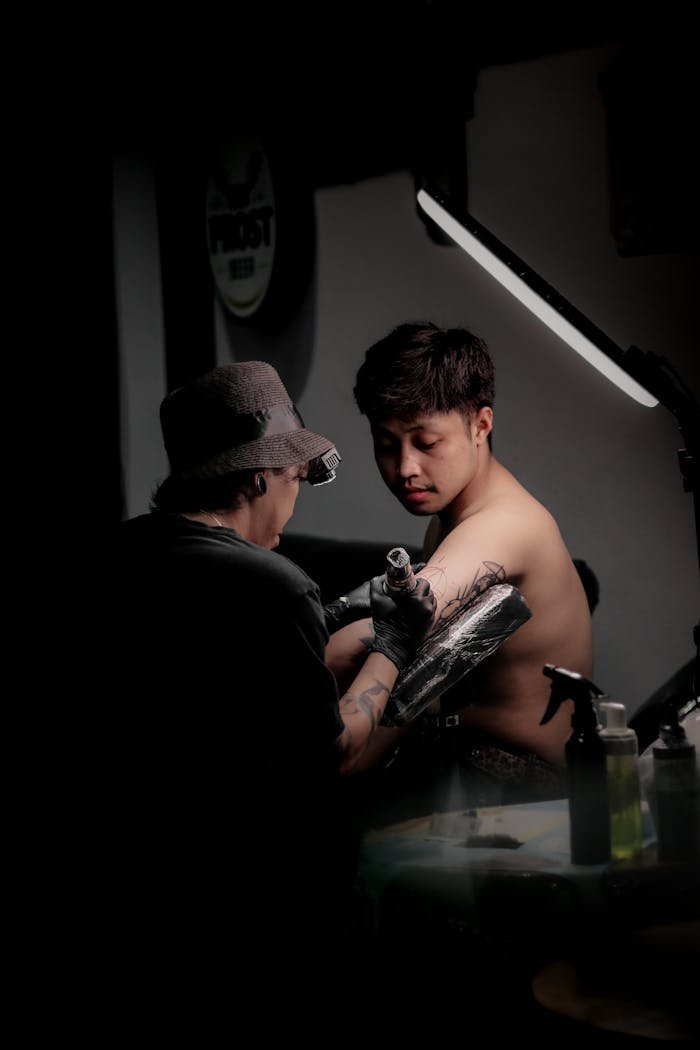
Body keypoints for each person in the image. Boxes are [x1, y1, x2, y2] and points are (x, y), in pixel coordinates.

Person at [108, 360, 436, 1021]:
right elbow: (332, 755)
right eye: (294, 478)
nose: (296, 496)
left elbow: (225, 678)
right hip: (257, 908)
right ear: (258, 476)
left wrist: (334, 612)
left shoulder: (124, 553)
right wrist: (395, 646)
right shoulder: (271, 585)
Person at [330, 321, 594, 824]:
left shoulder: (504, 526)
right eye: (386, 444)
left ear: (480, 425)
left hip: (526, 790)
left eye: (426, 442)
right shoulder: (451, 518)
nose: (405, 467)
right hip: (460, 769)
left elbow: (380, 636)